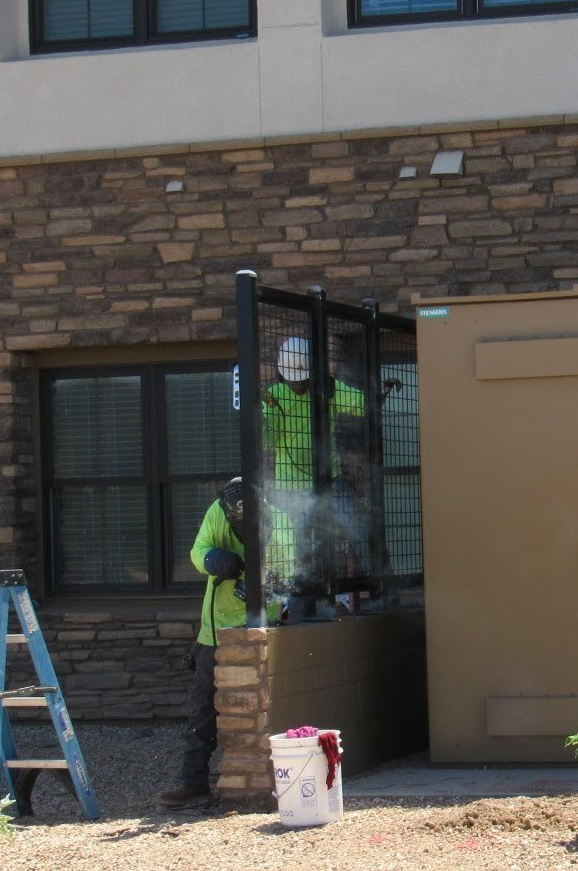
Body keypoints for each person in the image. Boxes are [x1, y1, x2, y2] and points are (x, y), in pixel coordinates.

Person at [159, 477, 249, 808]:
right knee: (202, 709)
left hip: (257, 625)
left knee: (251, 705)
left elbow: (284, 565)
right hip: (214, 630)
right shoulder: (218, 512)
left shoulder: (276, 520)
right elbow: (197, 552)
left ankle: (253, 779)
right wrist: (213, 559)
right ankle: (194, 782)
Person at [263, 336, 365, 615]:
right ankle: (299, 606)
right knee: (297, 548)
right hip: (290, 488)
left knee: (359, 529)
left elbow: (360, 403)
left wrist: (375, 394)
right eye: (293, 380)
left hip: (329, 480)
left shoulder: (326, 390)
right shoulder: (275, 396)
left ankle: (380, 587)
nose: (297, 385)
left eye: (302, 379)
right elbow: (268, 439)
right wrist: (266, 413)